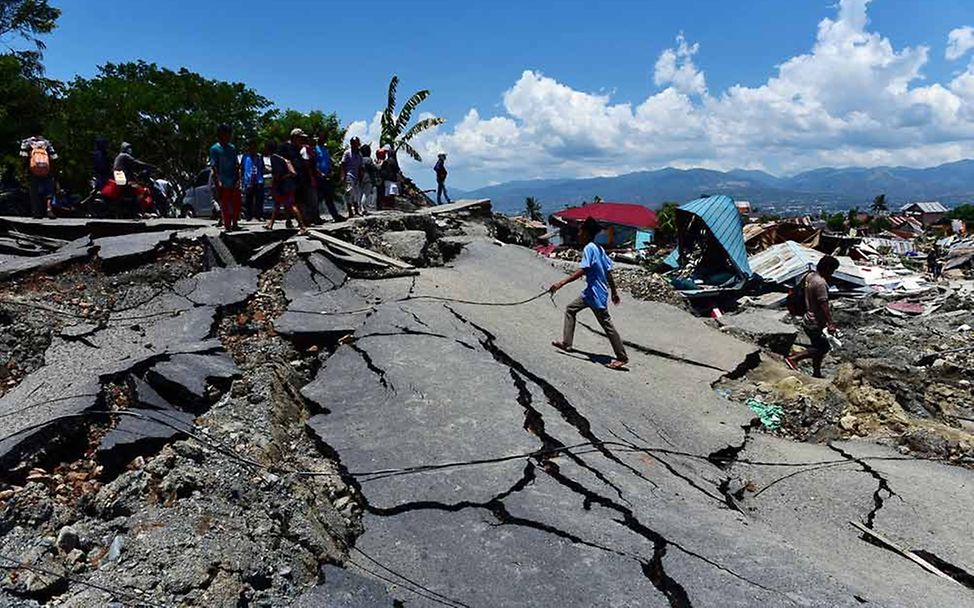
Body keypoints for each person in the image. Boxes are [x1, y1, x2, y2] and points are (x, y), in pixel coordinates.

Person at [549, 217, 629, 370]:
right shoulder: (599, 248)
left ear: (586, 233)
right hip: (591, 293)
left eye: (580, 230)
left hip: (595, 294)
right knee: (571, 309)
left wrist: (561, 283)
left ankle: (621, 357)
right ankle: (567, 343)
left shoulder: (589, 248)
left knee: (607, 325)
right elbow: (608, 271)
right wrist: (613, 292)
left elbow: (583, 270)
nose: (578, 233)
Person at [786, 255, 840, 379]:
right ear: (827, 268)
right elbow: (824, 305)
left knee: (818, 345)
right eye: (832, 270)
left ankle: (816, 372)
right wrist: (830, 323)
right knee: (822, 347)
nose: (832, 273)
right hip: (815, 321)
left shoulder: (810, 276)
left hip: (808, 316)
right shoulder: (821, 283)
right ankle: (794, 358)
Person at [265, 139, 307, 233]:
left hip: (283, 185)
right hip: (289, 184)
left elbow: (278, 173)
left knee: (291, 205)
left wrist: (274, 183)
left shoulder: (273, 158)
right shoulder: (281, 157)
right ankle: (270, 224)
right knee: (277, 204)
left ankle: (302, 226)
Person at [20, 128, 58, 219]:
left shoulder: (26, 142)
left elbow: (23, 156)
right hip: (47, 170)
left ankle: (36, 212)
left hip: (33, 170)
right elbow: (54, 157)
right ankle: (49, 209)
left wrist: (23, 170)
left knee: (34, 191)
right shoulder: (46, 142)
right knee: (49, 190)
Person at [209, 124, 241, 231]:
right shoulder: (215, 149)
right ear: (221, 135)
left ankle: (235, 223)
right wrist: (218, 181)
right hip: (222, 179)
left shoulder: (232, 148)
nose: (229, 136)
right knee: (225, 204)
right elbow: (214, 166)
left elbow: (236, 164)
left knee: (236, 203)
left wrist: (238, 179)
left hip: (233, 179)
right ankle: (227, 225)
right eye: (227, 134)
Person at [314, 134, 344, 222]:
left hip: (327, 176)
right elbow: (314, 163)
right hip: (319, 176)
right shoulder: (315, 149)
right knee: (318, 199)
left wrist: (331, 171)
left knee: (329, 198)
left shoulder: (325, 150)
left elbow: (328, 161)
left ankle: (335, 216)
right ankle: (315, 217)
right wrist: (319, 173)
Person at [241, 139, 265, 221]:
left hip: (258, 180)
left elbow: (262, 168)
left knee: (259, 199)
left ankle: (259, 215)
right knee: (248, 200)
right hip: (248, 181)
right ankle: (249, 215)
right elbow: (242, 168)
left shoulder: (259, 156)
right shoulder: (245, 156)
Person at [341, 137, 363, 217]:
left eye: (356, 143)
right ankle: (350, 212)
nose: (355, 145)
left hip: (356, 176)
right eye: (353, 143)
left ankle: (356, 211)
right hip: (349, 175)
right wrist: (343, 176)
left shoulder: (359, 154)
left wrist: (361, 177)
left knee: (356, 194)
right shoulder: (347, 153)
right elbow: (343, 164)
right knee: (349, 193)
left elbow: (360, 167)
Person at [378, 145, 400, 209]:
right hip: (393, 179)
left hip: (388, 179)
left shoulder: (387, 161)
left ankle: (388, 205)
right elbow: (397, 170)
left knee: (388, 193)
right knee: (391, 193)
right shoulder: (394, 161)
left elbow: (383, 170)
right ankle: (391, 205)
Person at [359, 144, 379, 215]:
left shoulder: (360, 159)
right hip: (368, 178)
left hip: (360, 178)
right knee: (366, 193)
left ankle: (360, 208)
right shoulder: (369, 159)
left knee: (360, 193)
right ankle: (363, 207)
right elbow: (374, 168)